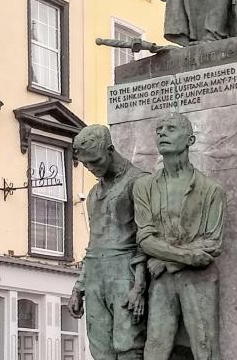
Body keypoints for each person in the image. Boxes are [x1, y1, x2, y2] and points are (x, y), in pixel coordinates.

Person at [133, 113, 227, 360]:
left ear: (190, 140)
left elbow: (212, 243)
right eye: (159, 129)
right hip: (162, 283)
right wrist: (184, 255)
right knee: (155, 348)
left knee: (205, 349)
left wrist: (166, 261)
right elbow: (145, 238)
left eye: (171, 128)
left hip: (199, 281)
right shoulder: (143, 187)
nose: (162, 133)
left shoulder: (211, 189)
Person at [67, 125, 147, 360]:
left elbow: (145, 237)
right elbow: (93, 245)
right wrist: (78, 288)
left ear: (110, 150)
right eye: (86, 164)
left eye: (95, 161)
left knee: (128, 346)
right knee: (99, 350)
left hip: (125, 272)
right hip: (95, 276)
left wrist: (139, 287)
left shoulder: (139, 182)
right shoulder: (93, 194)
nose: (91, 169)